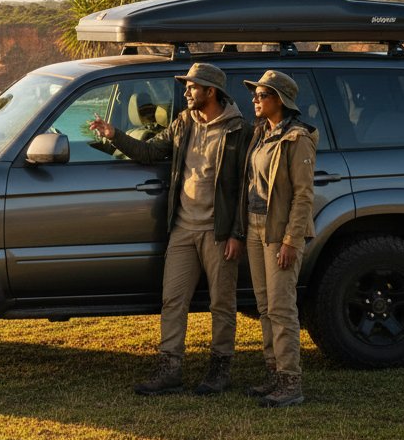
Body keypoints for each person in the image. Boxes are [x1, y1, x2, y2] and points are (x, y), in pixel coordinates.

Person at [88, 63, 251, 396]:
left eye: (193, 87)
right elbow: (149, 151)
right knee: (172, 301)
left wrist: (236, 233)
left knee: (222, 303)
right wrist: (113, 134)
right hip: (183, 228)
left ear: (211, 92)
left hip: (218, 232)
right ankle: (170, 368)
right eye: (187, 86)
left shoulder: (238, 131)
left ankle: (220, 369)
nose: (186, 92)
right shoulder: (183, 124)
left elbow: (246, 189)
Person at [240, 70, 317, 408]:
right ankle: (273, 373)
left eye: (261, 95)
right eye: (255, 95)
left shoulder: (296, 138)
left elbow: (303, 196)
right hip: (256, 228)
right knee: (264, 306)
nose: (255, 100)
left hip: (279, 231)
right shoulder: (262, 133)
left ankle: (290, 381)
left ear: (280, 101)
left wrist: (290, 240)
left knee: (282, 307)